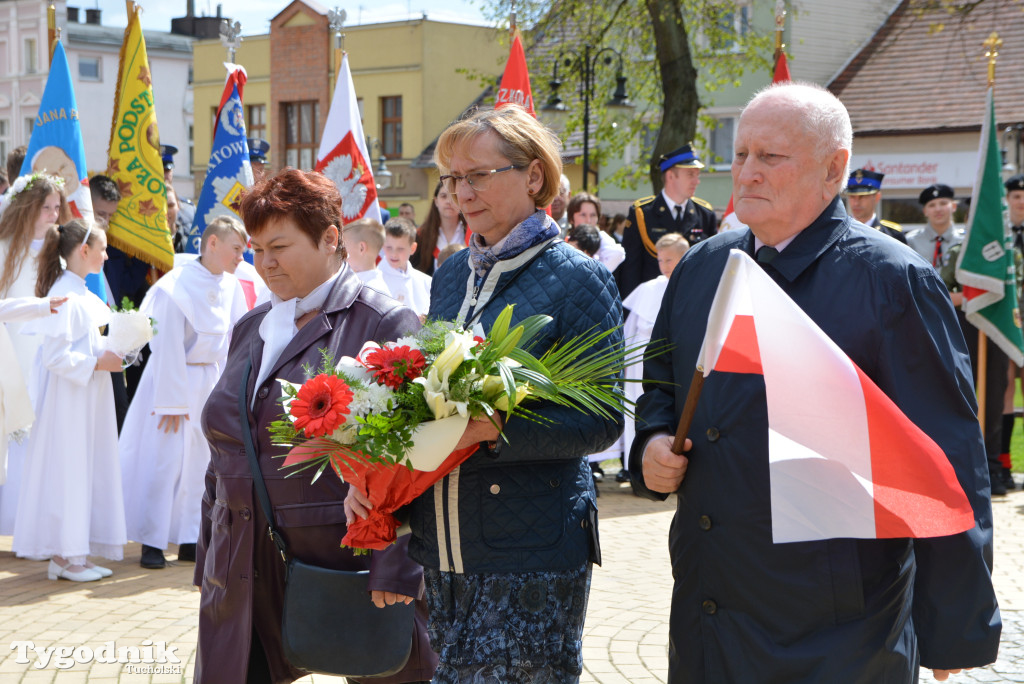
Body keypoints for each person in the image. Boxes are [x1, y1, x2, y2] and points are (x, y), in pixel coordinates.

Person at [631, 82, 999, 682]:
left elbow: (946, 459)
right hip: (709, 608)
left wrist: (953, 627)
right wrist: (651, 442)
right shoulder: (704, 267)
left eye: (770, 157)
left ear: (834, 169)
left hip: (837, 627)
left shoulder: (892, 280)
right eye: (740, 153)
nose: (746, 172)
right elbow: (662, 387)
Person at [347, 104, 622, 683]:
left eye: (477, 175)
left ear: (533, 176)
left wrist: (492, 428)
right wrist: (379, 481)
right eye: (452, 178)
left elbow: (600, 417)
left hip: (530, 550)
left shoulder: (579, 277)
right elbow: (425, 399)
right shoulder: (450, 274)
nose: (461, 192)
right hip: (444, 547)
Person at [193, 168, 435, 684]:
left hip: (348, 563)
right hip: (241, 560)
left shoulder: (383, 322)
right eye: (257, 249)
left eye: (280, 245)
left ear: (331, 239)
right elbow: (225, 450)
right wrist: (207, 557)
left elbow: (415, 458)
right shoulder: (251, 327)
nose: (266, 263)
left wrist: (396, 568)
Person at [120, 217, 249, 571]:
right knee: (165, 462)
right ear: (212, 244)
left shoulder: (233, 285)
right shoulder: (174, 287)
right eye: (236, 248)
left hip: (209, 381)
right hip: (174, 384)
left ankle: (191, 537)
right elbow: (166, 348)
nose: (242, 256)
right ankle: (152, 539)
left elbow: (235, 342)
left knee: (203, 463)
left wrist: (230, 390)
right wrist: (172, 402)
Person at [12, 219, 125, 582]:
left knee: (86, 468)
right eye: (103, 248)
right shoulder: (66, 296)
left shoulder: (85, 296)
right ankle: (66, 555)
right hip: (69, 401)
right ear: (84, 251)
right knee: (70, 470)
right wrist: (97, 362)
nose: (107, 255)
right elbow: (55, 358)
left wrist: (121, 349)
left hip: (87, 396)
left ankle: (73, 553)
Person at [908, 183, 1009, 496]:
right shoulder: (908, 241)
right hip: (923, 327)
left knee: (982, 391)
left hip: (967, 326)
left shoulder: (971, 244)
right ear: (924, 210)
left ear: (953, 207)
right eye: (932, 204)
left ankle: (987, 466)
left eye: (944, 203)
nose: (938, 209)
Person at [0, 172, 71, 537]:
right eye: (46, 207)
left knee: (37, 429)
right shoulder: (5, 246)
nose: (52, 215)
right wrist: (39, 307)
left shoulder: (58, 250)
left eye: (57, 208)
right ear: (28, 207)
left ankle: (32, 520)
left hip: (42, 350)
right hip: (9, 346)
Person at [619, 233, 688, 484]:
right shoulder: (648, 289)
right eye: (661, 260)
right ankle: (633, 464)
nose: (664, 266)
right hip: (639, 362)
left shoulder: (691, 286)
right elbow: (630, 330)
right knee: (634, 410)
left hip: (675, 362)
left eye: (670, 260)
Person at [620, 143, 716, 298]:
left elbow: (711, 268)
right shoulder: (642, 213)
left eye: (697, 175)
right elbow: (631, 270)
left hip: (691, 301)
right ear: (671, 176)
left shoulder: (705, 214)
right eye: (690, 175)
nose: (696, 181)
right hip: (651, 307)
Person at [1001, 173, 1024, 491]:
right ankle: (1003, 465)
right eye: (1016, 196)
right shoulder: (999, 235)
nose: (1021, 201)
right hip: (1006, 323)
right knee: (1004, 390)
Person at [380, 217, 431, 317]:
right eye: (389, 247)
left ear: (412, 248)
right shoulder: (373, 282)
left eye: (400, 249)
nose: (394, 254)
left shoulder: (426, 282)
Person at [411, 182, 465, 276]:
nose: (449, 201)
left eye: (454, 196)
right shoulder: (421, 236)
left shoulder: (473, 234)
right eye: (444, 196)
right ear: (436, 201)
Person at [566, 191, 626, 273]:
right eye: (583, 215)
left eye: (593, 215)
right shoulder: (564, 242)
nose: (588, 220)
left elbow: (618, 253)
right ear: (571, 218)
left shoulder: (602, 243)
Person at [845, 168, 906, 244]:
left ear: (877, 197)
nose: (856, 203)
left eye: (862, 197)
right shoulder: (838, 232)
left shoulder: (893, 235)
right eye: (852, 197)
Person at [342, 216, 392, 297]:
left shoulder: (375, 292)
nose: (340, 253)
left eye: (343, 247)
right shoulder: (351, 281)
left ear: (361, 248)